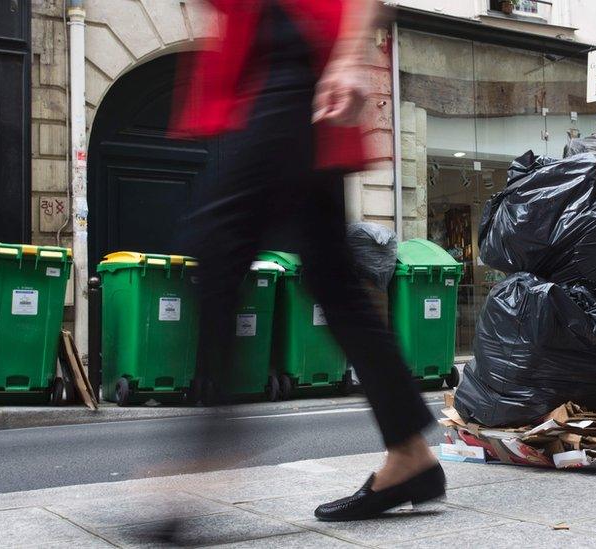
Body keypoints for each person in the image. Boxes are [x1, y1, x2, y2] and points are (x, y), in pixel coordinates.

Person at [171, 0, 444, 521]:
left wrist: (346, 57)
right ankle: (409, 452)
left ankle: (197, 469)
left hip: (293, 62)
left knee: (219, 245)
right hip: (280, 66)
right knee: (331, 277)